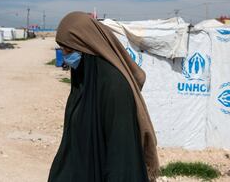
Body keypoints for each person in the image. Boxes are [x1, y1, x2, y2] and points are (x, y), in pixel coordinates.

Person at [48, 12, 159, 182]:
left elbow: (121, 161)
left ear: (85, 46)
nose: (64, 55)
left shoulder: (114, 87)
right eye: (62, 48)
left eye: (68, 49)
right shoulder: (85, 78)